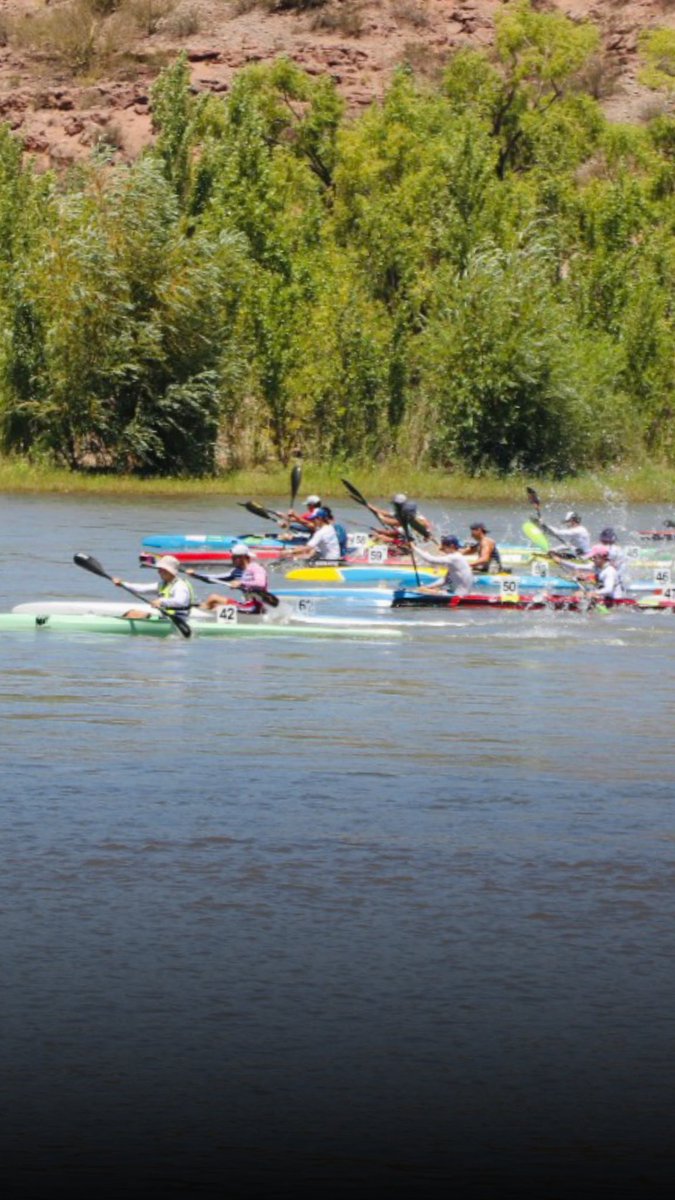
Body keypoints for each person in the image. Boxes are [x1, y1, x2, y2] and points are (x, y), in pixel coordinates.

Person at [196, 544, 273, 613]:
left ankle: (197, 618)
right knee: (213, 602)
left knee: (215, 602)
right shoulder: (237, 571)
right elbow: (214, 578)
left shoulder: (256, 568)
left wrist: (241, 583)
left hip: (254, 607)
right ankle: (202, 614)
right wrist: (196, 575)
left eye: (234, 557)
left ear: (242, 557)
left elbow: (261, 583)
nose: (232, 559)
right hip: (246, 605)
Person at [113, 555, 195, 619]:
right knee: (132, 612)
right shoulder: (163, 584)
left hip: (180, 619)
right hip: (167, 618)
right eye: (159, 569)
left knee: (134, 614)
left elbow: (180, 602)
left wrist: (161, 601)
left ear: (169, 571)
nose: (158, 572)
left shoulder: (180, 585)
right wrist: (122, 584)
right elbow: (141, 589)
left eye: (161, 569)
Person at [366, 494, 432, 541]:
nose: (394, 506)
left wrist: (380, 518)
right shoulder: (405, 512)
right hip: (406, 537)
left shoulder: (406, 516)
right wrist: (371, 507)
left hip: (409, 543)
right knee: (379, 535)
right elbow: (386, 513)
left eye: (395, 504)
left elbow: (387, 521)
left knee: (380, 536)